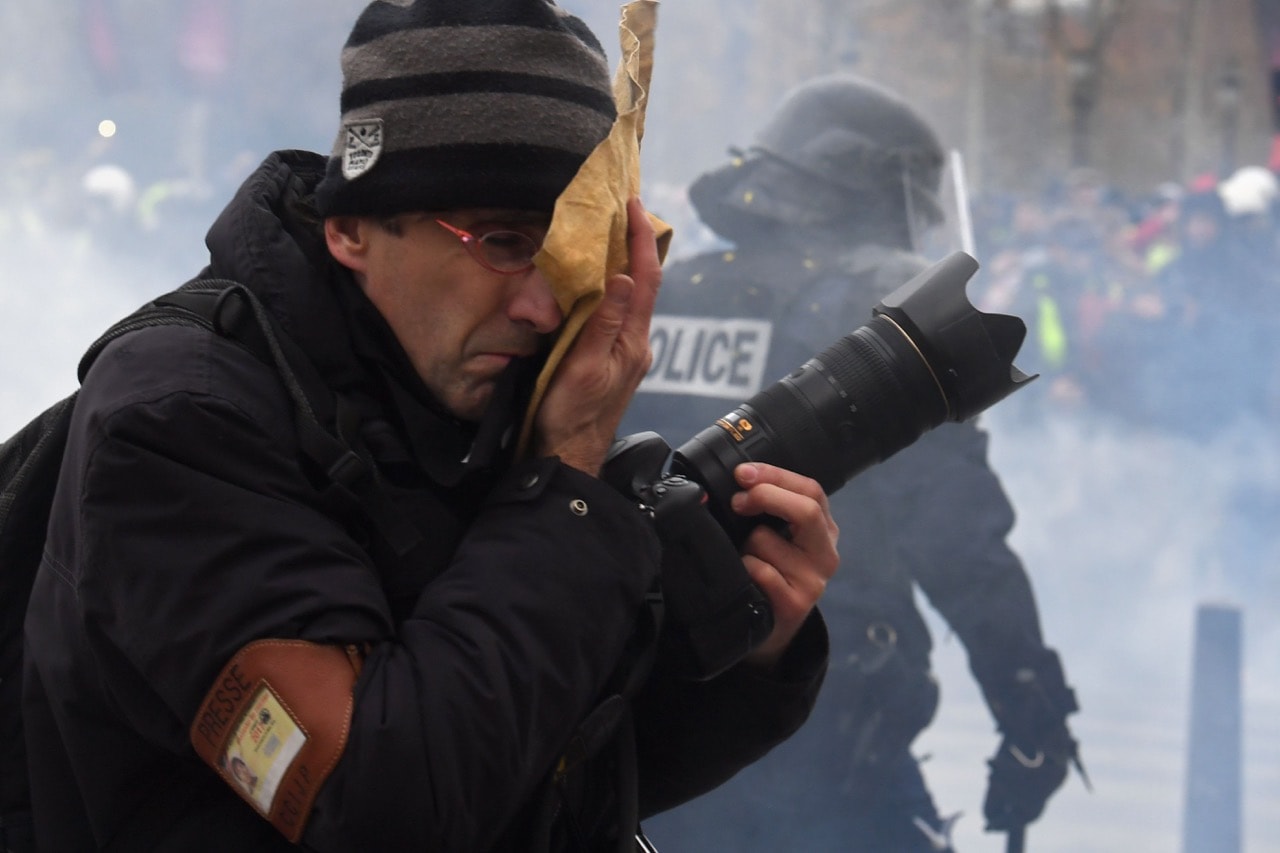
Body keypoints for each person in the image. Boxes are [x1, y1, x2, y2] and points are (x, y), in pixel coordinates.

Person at [19, 3, 840, 851]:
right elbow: (382, 806)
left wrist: (751, 653)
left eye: (570, 257)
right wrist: (562, 488)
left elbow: (555, 773)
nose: (542, 305)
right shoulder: (180, 424)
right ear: (351, 228)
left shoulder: (478, 395)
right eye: (503, 243)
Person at [624, 73, 1081, 852]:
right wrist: (1030, 704)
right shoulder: (879, 339)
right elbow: (960, 542)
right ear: (866, 189)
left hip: (655, 722)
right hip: (819, 727)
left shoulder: (672, 291)